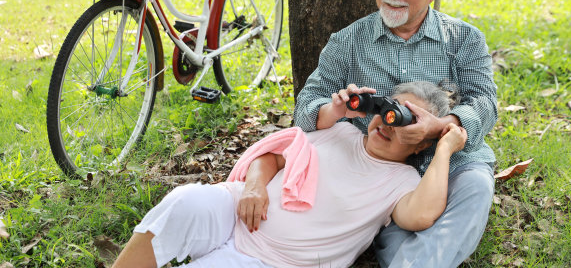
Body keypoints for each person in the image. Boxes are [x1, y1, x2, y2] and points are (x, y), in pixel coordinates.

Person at [293, 0, 497, 267]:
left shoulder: (464, 40)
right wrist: (335, 108)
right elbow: (305, 108)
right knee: (400, 237)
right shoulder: (347, 42)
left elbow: (485, 103)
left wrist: (441, 126)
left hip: (451, 164)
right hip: (377, 174)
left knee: (475, 186)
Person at [112, 81, 466, 268]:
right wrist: (253, 187)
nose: (388, 122)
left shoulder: (402, 182)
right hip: (236, 215)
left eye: (405, 120)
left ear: (420, 144)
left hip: (275, 261)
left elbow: (420, 215)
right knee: (185, 201)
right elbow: (274, 156)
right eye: (388, 109)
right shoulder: (341, 131)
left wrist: (446, 145)